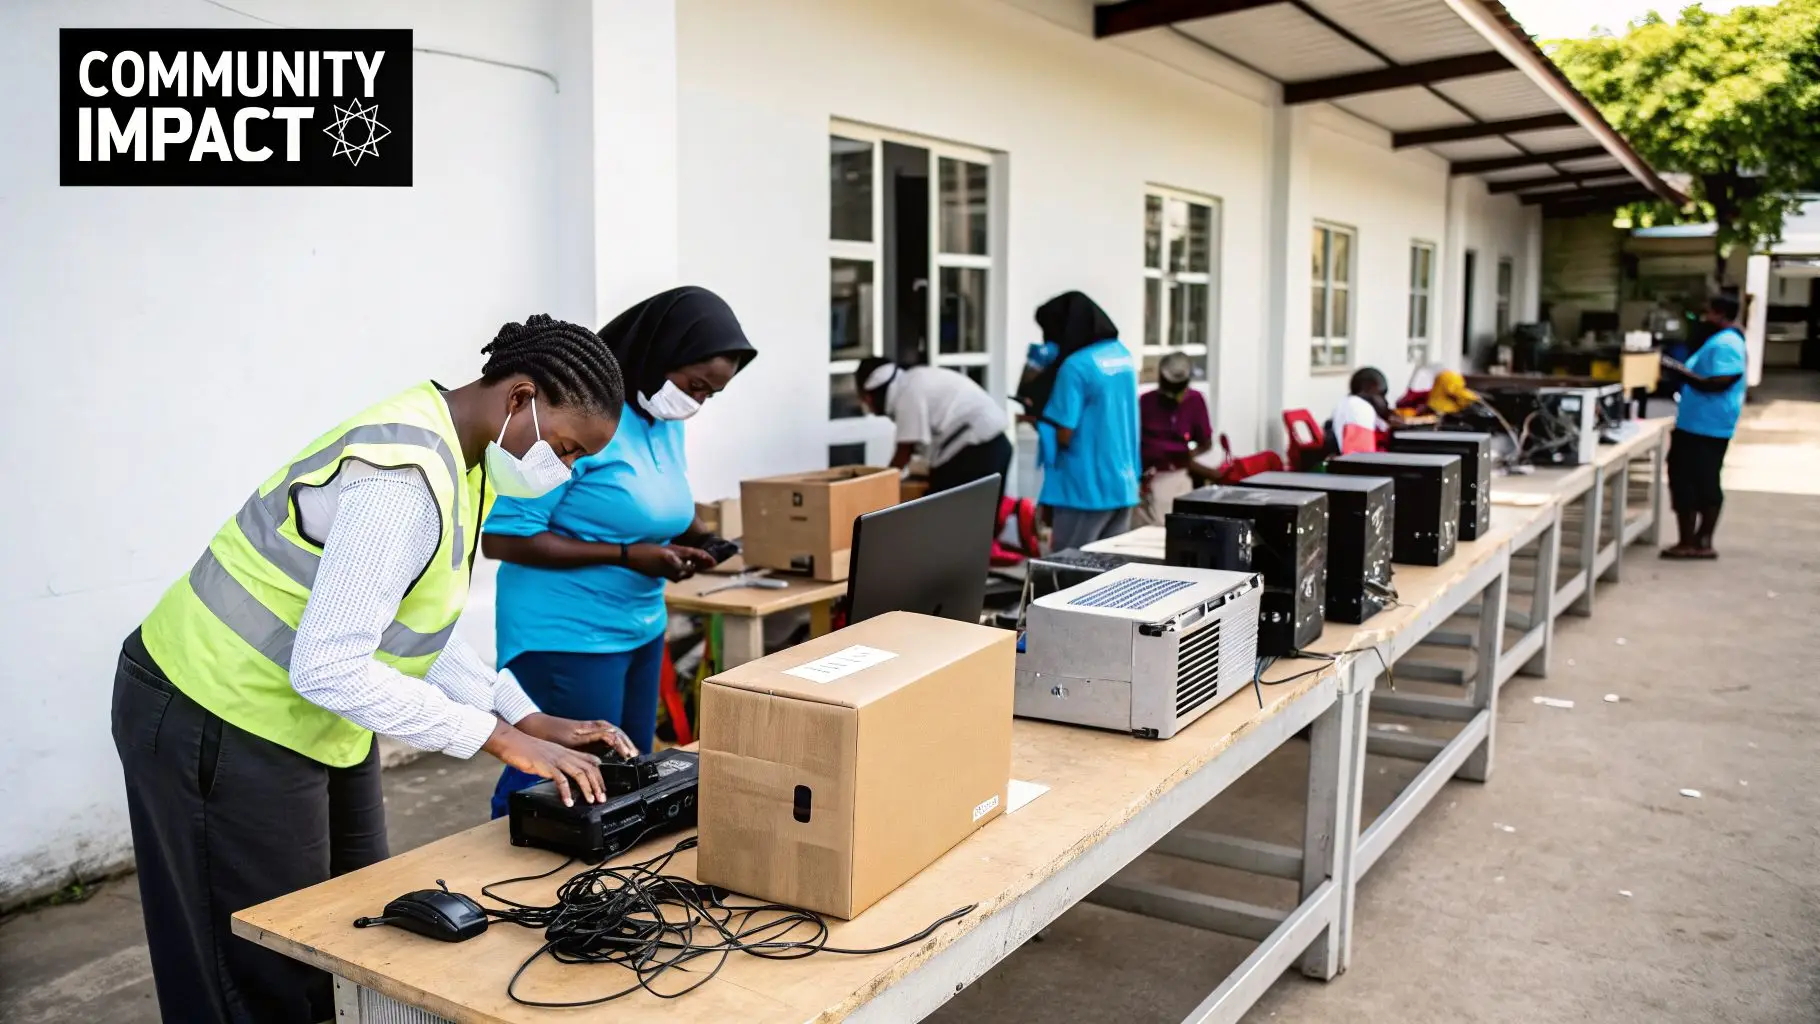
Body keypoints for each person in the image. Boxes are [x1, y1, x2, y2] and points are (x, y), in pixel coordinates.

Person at [112, 314, 636, 1024]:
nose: (563, 471)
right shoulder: (404, 480)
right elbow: (329, 665)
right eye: (567, 449)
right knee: (251, 966)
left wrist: (520, 712)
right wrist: (495, 737)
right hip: (210, 705)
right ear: (520, 398)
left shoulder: (468, 458)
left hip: (303, 712)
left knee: (355, 925)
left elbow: (411, 620)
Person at [485, 287, 757, 817]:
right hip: (566, 632)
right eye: (695, 385)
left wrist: (701, 539)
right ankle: (493, 877)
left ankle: (598, 890)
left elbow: (661, 500)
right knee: (553, 779)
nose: (696, 403)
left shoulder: (662, 422)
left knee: (629, 774)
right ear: (660, 355)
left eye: (710, 395)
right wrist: (628, 556)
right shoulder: (583, 419)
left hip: (640, 624)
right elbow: (505, 536)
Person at [1027, 291, 1140, 551]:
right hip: (1122, 484)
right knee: (1109, 574)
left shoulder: (1076, 366)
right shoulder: (1122, 356)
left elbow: (1065, 434)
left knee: (1070, 572)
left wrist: (1038, 420)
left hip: (1083, 489)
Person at [1661, 294, 1747, 559]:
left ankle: (1700, 541)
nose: (1702, 319)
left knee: (1700, 481)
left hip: (1707, 426)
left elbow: (1720, 381)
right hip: (1696, 423)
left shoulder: (1727, 344)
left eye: (1707, 313)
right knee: (1686, 480)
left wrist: (1677, 369)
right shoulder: (1719, 341)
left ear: (1719, 314)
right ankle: (1691, 539)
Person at [854, 357, 1011, 503]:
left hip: (979, 446)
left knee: (938, 511)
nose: (867, 407)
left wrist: (879, 488)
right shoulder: (910, 380)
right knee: (978, 522)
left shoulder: (906, 393)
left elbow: (904, 451)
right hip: (994, 443)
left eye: (864, 400)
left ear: (869, 396)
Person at [1134, 351, 1214, 527]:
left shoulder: (1195, 401)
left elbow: (1206, 443)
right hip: (1144, 478)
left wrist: (1186, 456)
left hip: (1175, 477)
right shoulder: (1145, 402)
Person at [1326, 366, 1394, 456]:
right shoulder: (1359, 408)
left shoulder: (1350, 403)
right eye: (1381, 395)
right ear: (1368, 388)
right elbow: (1361, 458)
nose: (1385, 401)